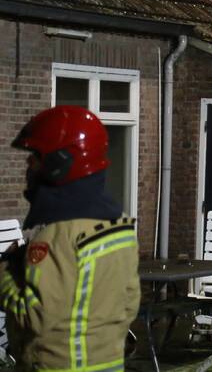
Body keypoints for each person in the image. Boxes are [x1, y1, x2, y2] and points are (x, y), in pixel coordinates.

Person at [0, 105, 140, 371]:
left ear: (60, 162)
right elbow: (130, 301)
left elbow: (35, 314)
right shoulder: (119, 224)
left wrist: (6, 272)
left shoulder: (57, 236)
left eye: (36, 155)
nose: (29, 164)